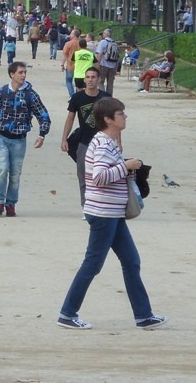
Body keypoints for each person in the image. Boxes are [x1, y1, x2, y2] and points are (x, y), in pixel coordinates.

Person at [56, 97, 168, 330]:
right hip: (103, 213)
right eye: (121, 114)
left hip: (111, 213)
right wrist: (125, 167)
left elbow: (107, 172)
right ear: (108, 119)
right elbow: (99, 177)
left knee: (131, 261)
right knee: (93, 264)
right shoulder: (104, 143)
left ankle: (144, 316)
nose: (125, 117)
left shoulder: (108, 142)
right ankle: (67, 313)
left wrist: (128, 169)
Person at [0, 61, 51, 217]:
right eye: (20, 72)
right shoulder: (2, 92)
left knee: (15, 174)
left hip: (19, 140)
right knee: (2, 169)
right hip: (1, 137)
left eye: (24, 72)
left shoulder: (30, 94)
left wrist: (42, 134)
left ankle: (11, 204)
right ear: (11, 74)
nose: (23, 75)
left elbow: (43, 115)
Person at [49, 66, 110, 206]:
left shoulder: (106, 98)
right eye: (87, 77)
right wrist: (64, 139)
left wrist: (118, 142)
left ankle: (101, 203)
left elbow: (113, 122)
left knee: (103, 174)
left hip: (103, 142)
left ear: (99, 79)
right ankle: (86, 205)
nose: (90, 80)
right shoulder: (77, 98)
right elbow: (70, 118)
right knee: (83, 176)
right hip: (84, 141)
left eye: (93, 77)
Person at [95, 29, 120, 94]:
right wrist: (116, 68)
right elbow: (117, 57)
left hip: (104, 65)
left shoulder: (103, 42)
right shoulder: (115, 43)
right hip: (113, 66)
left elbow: (99, 54)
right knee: (110, 83)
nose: (103, 35)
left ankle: (103, 96)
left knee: (101, 82)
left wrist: (97, 64)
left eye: (103, 33)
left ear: (106, 34)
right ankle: (109, 97)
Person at [61, 27, 81, 98]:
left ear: (74, 35)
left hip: (70, 65)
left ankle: (72, 95)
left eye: (71, 34)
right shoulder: (82, 43)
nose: (70, 35)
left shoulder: (68, 44)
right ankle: (78, 95)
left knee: (69, 81)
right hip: (79, 66)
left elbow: (64, 55)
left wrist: (62, 64)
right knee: (78, 82)